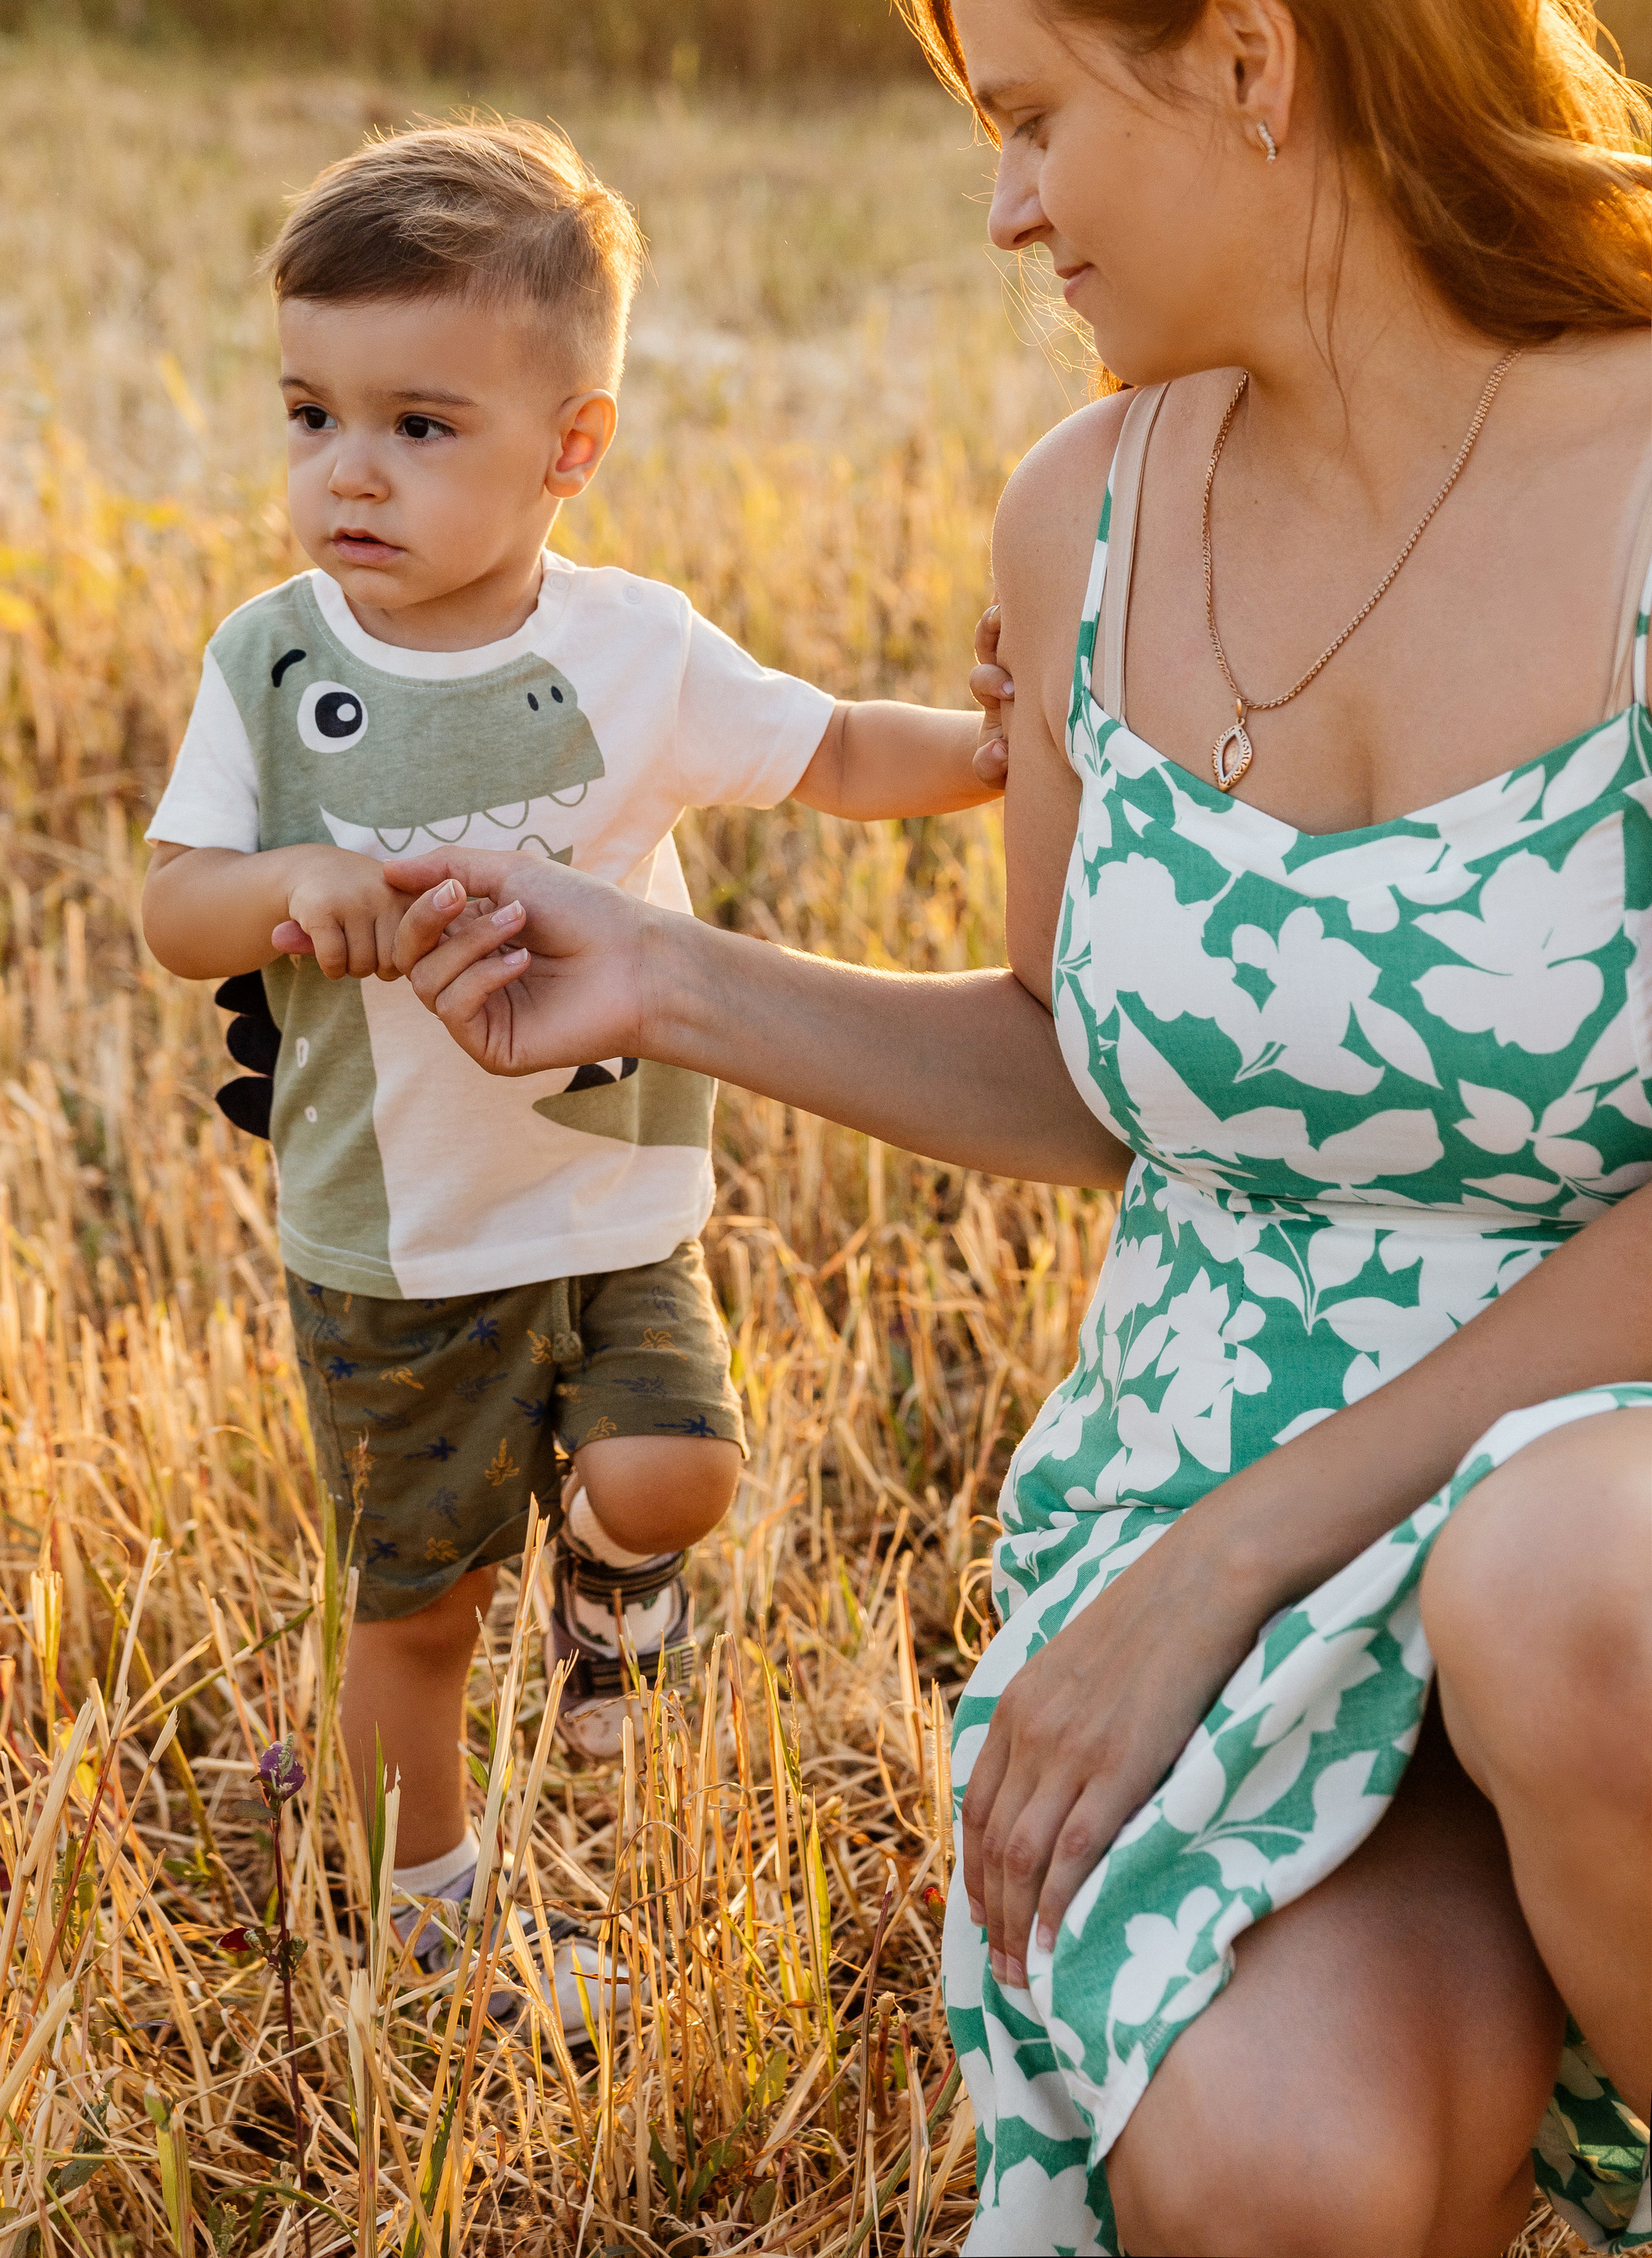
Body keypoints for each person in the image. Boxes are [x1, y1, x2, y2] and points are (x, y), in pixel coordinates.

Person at [380, 0, 1652, 2255]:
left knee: (1569, 1592)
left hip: (1592, 1485)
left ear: (1255, 61)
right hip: (1234, 1498)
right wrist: (665, 970)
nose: (1006, 210)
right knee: (1274, 2183)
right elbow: (1100, 1069)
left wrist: (1228, 1567)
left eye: (1036, 117)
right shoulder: (1080, 516)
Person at [139, 116, 998, 1978]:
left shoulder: (637, 652)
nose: (346, 474)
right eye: (310, 415)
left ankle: (616, 1588)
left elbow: (839, 750)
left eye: (419, 426)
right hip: (400, 1239)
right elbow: (176, 908)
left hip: (614, 1198)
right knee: (420, 1613)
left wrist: (1003, 747)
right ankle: (428, 1927)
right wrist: (292, 877)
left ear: (574, 449)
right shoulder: (272, 665)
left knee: (678, 1471)